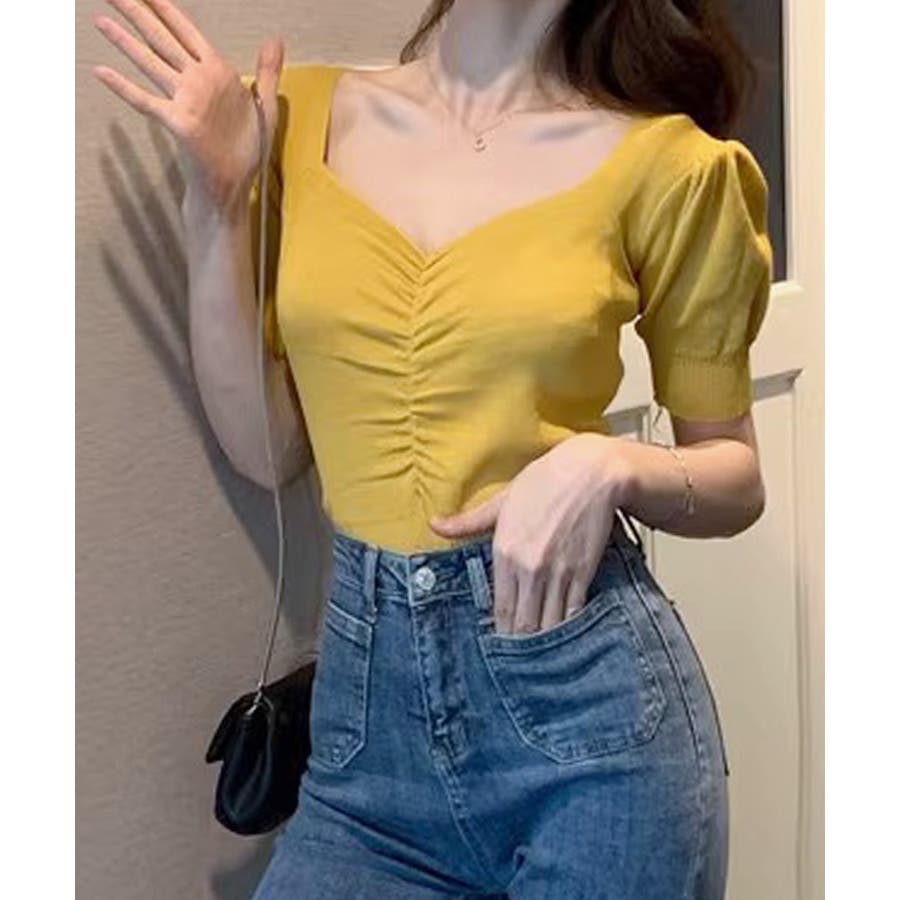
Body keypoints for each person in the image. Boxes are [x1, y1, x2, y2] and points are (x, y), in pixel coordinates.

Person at [93, 0, 773, 896]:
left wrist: (611, 464)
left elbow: (735, 478)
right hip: (364, 748)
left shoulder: (673, 165)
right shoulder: (296, 117)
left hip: (592, 734)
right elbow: (271, 449)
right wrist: (216, 208)